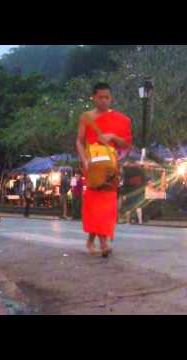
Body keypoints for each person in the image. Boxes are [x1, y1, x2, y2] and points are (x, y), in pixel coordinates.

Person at [76, 82, 132, 257]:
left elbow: (127, 143)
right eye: (100, 97)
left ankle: (93, 240)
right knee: (95, 204)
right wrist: (84, 159)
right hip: (92, 166)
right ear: (94, 97)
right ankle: (104, 242)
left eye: (107, 97)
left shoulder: (120, 119)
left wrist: (113, 136)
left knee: (107, 205)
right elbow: (79, 140)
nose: (103, 101)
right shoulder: (86, 117)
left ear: (111, 98)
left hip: (110, 167)